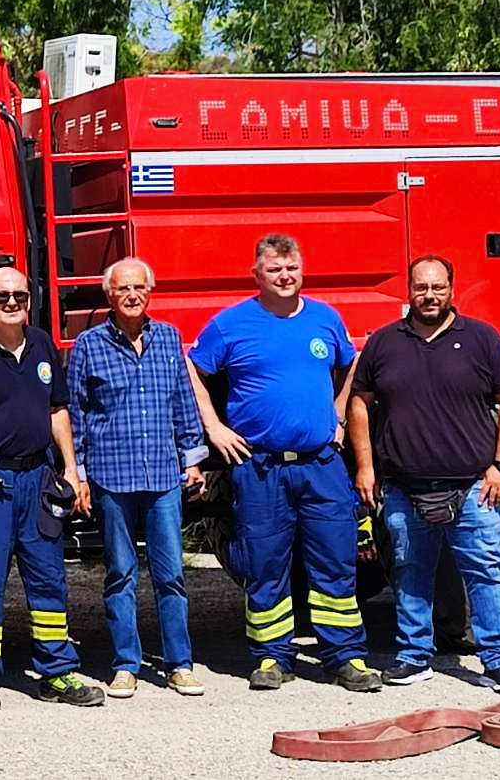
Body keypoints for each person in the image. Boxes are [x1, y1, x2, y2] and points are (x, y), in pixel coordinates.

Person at [187, 233, 381, 693]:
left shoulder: (324, 318)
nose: (284, 276)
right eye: (274, 269)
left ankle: (345, 658)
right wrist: (214, 428)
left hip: (321, 465)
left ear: (302, 270)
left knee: (335, 561)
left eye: (291, 267)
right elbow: (192, 369)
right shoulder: (231, 324)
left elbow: (351, 365)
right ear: (256, 275)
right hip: (260, 468)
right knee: (265, 564)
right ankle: (272, 657)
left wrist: (337, 415)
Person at [348, 255, 500, 694]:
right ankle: (413, 658)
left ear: (451, 289)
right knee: (410, 574)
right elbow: (358, 404)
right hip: (404, 489)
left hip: (474, 489)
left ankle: (498, 663)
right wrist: (366, 467)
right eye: (421, 287)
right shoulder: (384, 343)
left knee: (486, 576)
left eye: (438, 287)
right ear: (409, 291)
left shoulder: (482, 339)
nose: (429, 296)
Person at [0, 267, 105, 711]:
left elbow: (57, 410)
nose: (12, 303)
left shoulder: (42, 344)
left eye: (20, 297)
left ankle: (57, 672)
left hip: (38, 481)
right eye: (3, 296)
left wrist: (71, 469)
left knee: (49, 578)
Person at [67, 257, 208, 699]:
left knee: (171, 575)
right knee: (120, 574)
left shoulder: (168, 338)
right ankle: (126, 665)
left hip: (163, 474)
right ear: (109, 295)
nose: (132, 295)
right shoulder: (89, 345)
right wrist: (80, 474)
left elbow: (183, 402)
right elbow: (76, 412)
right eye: (123, 288)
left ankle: (179, 664)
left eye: (139, 288)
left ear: (150, 292)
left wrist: (192, 459)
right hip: (112, 476)